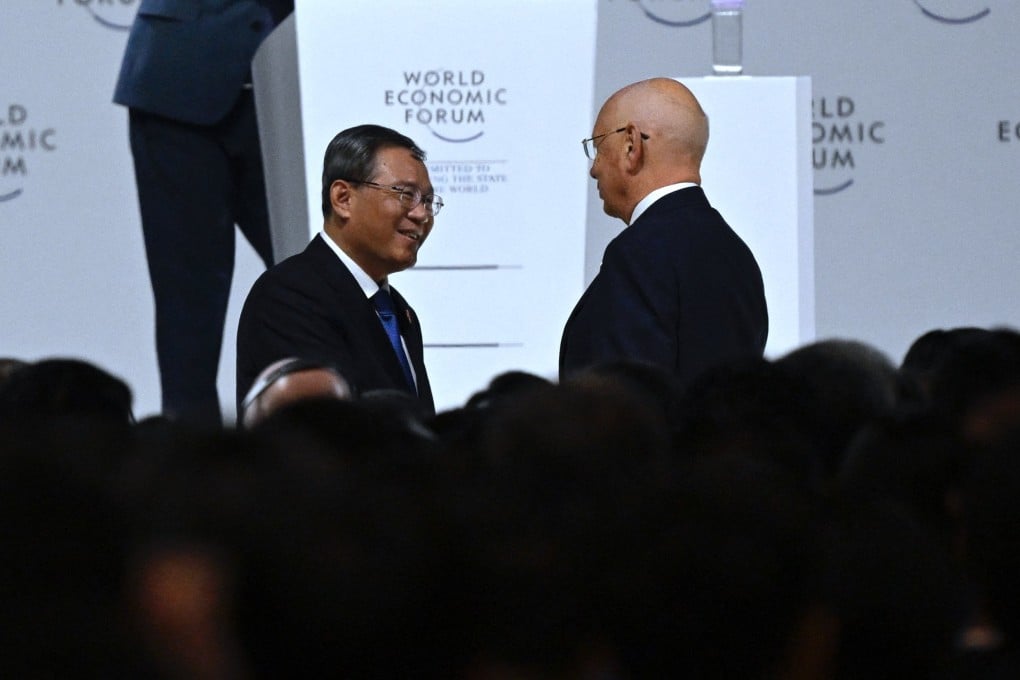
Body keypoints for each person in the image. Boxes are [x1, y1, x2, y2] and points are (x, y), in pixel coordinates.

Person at [114, 0, 294, 426]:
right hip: (180, 82)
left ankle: (335, 455)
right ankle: (190, 474)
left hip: (304, 74)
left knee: (323, 283)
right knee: (187, 304)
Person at [559, 77, 768, 391]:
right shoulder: (736, 252)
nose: (593, 168)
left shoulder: (640, 254)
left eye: (598, 147)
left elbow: (625, 405)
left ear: (632, 144)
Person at [236, 124, 439, 416]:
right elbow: (318, 432)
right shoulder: (289, 296)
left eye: (429, 201)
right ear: (343, 198)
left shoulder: (400, 313)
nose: (422, 214)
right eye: (405, 194)